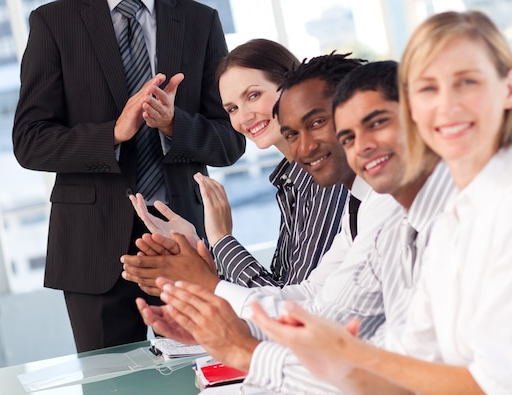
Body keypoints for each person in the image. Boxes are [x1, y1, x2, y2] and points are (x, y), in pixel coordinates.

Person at [251, 10, 512, 395]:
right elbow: (409, 355)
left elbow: (494, 387)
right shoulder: (454, 216)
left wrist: (343, 353)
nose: (446, 106)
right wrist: (331, 360)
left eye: (467, 82)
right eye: (428, 89)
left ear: (510, 89)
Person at [137, 60, 455, 394]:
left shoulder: (371, 202)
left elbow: (335, 325)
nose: (305, 147)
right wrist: (222, 316)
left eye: (254, 95)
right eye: (231, 107)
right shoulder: (346, 199)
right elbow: (309, 301)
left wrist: (216, 285)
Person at [11, 0, 246, 353]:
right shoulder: (53, 21)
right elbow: (30, 141)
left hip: (183, 239)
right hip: (92, 244)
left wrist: (173, 125)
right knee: (108, 385)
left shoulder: (201, 19)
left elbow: (231, 141)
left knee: (202, 372)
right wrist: (113, 134)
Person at [123, 39, 349, 293]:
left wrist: (222, 239)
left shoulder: (327, 177)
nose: (244, 117)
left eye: (253, 96)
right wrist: (199, 248)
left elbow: (292, 306)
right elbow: (278, 290)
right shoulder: (293, 181)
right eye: (232, 108)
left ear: (292, 85)